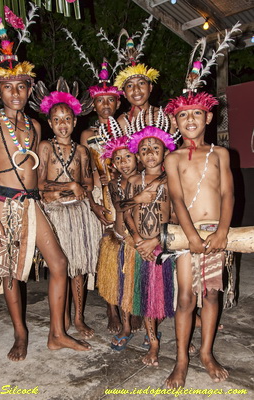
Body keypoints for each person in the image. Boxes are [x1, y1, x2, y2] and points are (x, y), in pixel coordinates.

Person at [0, 6, 90, 362]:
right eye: (8, 87)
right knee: (12, 273)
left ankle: (57, 334)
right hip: (3, 203)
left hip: (31, 203)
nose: (15, 93)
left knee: (58, 263)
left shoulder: (36, 127)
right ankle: (21, 334)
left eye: (21, 87)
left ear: (28, 90)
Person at [164, 89, 234, 387]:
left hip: (216, 231)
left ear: (208, 116)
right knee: (185, 297)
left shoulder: (220, 154)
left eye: (196, 113)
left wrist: (221, 231)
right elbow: (177, 199)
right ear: (174, 121)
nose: (189, 119)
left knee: (211, 294)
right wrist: (191, 236)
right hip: (186, 236)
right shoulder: (173, 157)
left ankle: (205, 353)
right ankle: (181, 358)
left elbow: (228, 193)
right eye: (182, 115)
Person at [34, 84, 102, 340]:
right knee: (59, 267)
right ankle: (61, 318)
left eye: (67, 119)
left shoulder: (83, 151)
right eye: (57, 120)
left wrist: (73, 189)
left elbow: (88, 185)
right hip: (54, 214)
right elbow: (39, 185)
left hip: (79, 214)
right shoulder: (45, 148)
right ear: (50, 123)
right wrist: (69, 187)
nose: (62, 124)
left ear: (75, 121)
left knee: (79, 269)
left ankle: (78, 318)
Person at [122, 124, 176, 365]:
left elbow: (175, 215)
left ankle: (183, 333)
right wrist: (137, 239)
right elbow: (124, 211)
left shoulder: (171, 180)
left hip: (163, 245)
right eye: (145, 149)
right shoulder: (133, 181)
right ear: (138, 154)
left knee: (168, 295)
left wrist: (157, 240)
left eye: (156, 148)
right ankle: (153, 342)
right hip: (140, 247)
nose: (151, 153)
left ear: (165, 152)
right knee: (147, 297)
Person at [80, 63, 125, 334]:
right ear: (93, 105)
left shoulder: (125, 129)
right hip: (100, 196)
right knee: (105, 254)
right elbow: (84, 172)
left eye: (110, 100)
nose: (105, 104)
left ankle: (128, 304)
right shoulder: (87, 135)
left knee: (124, 250)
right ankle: (111, 309)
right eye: (100, 101)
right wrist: (94, 195)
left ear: (117, 102)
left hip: (123, 195)